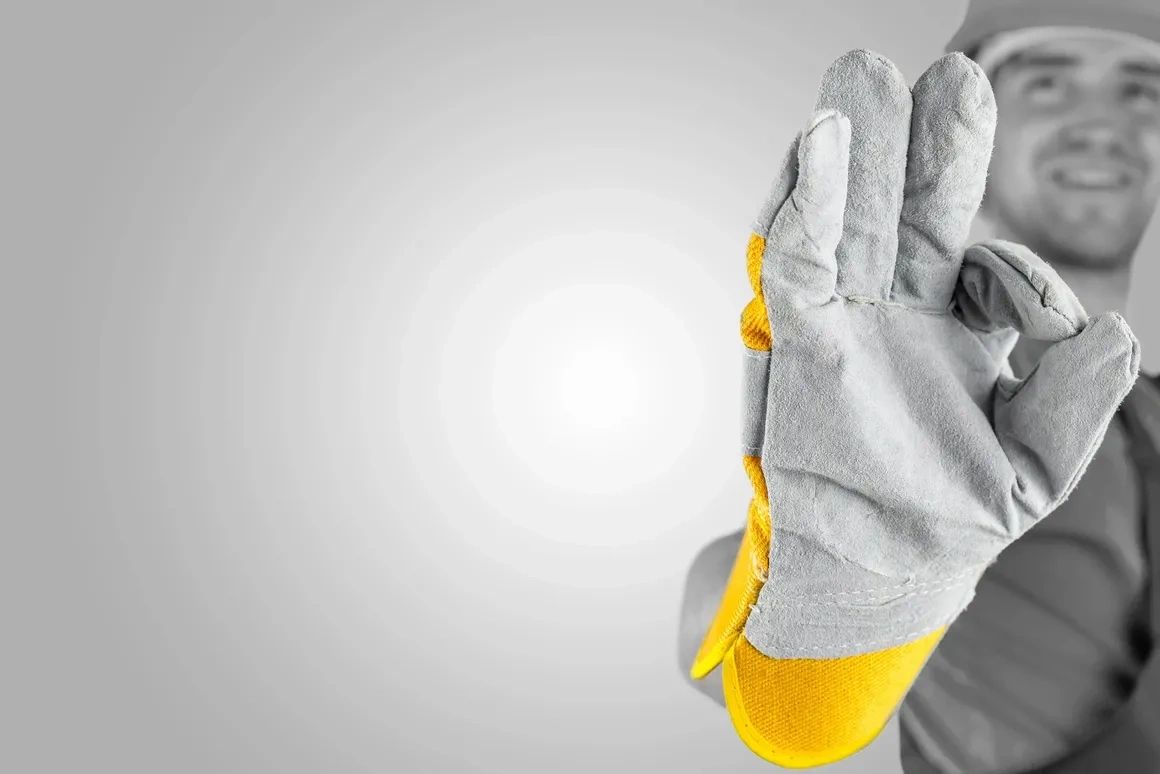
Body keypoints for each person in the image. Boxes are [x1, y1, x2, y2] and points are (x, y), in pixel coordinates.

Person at [678, 2, 1160, 771]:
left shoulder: (1143, 423)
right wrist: (847, 597)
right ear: (984, 123)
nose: (1102, 123)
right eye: (1048, 80)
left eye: (1141, 88)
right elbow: (762, 688)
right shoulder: (837, 409)